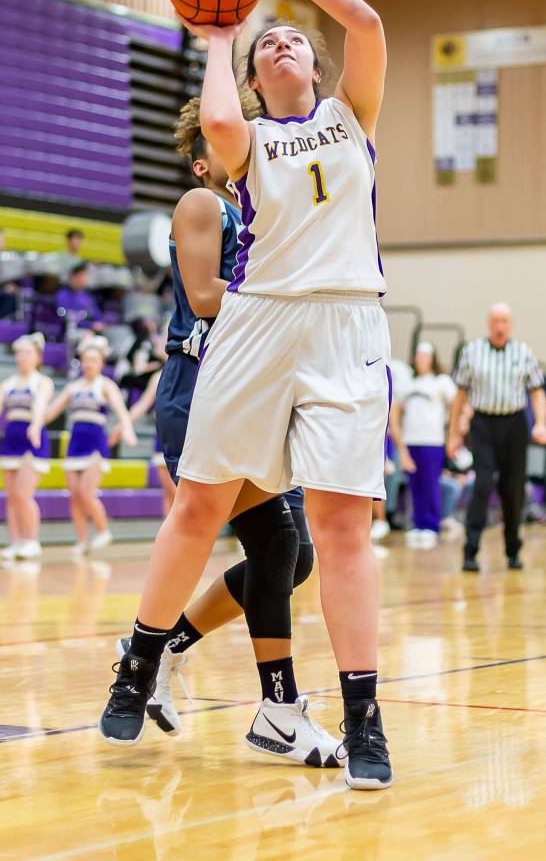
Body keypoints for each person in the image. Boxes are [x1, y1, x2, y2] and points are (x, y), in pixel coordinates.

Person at [99, 0, 392, 792]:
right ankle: (139, 660)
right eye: (269, 43)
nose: (283, 41)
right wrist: (223, 30)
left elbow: (366, 21)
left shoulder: (351, 117)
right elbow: (220, 116)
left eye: (292, 37)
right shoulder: (248, 142)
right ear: (258, 81)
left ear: (315, 66)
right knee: (200, 505)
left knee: (340, 530)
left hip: (346, 324)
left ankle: (364, 719)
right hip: (260, 323)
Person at [111, 98, 337, 765]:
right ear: (206, 159)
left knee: (296, 559)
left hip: (255, 393)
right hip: (201, 384)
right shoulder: (203, 203)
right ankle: (272, 707)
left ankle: (163, 649)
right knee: (279, 541)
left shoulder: (267, 214)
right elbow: (207, 297)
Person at [448, 302, 546, 571]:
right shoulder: (472, 352)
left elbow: (537, 391)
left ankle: (513, 549)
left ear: (510, 324)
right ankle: (470, 550)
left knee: (512, 490)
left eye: (504, 321)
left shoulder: (523, 352)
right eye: (495, 321)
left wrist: (541, 423)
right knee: (482, 483)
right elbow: (460, 396)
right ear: (489, 324)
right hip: (483, 425)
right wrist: (453, 434)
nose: (499, 326)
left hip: (514, 425)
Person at [46, 336, 137, 556]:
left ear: (101, 363)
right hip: (74, 444)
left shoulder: (105, 385)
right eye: (86, 360)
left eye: (94, 360)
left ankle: (103, 530)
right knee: (75, 495)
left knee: (86, 492)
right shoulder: (72, 387)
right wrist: (35, 422)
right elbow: (51, 412)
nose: (89, 364)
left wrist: (127, 430)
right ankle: (82, 541)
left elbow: (121, 411)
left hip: (95, 444)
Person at [390, 342, 456, 548]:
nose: (421, 359)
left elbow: (458, 404)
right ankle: (418, 524)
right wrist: (399, 441)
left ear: (432, 358)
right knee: (415, 484)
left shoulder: (441, 382)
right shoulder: (408, 384)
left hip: (433, 441)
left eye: (425, 356)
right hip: (411, 442)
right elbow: (395, 410)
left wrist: (452, 431)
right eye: (418, 355)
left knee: (430, 484)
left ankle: (431, 525)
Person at [0, 333, 54, 561]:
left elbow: (41, 405)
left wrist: (35, 424)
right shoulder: (8, 383)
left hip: (32, 440)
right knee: (11, 496)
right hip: (9, 441)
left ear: (38, 357)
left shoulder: (42, 381)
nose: (23, 357)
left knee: (23, 493)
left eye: (28, 353)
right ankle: (16, 542)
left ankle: (31, 540)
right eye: (20, 353)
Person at [111, 368, 176, 517]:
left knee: (179, 492)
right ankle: (170, 536)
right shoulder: (158, 375)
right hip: (163, 435)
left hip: (186, 435)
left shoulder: (195, 368)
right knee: (168, 491)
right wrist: (122, 426)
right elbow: (143, 404)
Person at [56, 264, 103, 332]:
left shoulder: (88, 297)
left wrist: (98, 324)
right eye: (79, 276)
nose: (83, 279)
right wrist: (89, 325)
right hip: (66, 334)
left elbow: (97, 317)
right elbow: (64, 317)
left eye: (84, 276)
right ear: (72, 277)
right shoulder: (62, 295)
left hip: (87, 335)